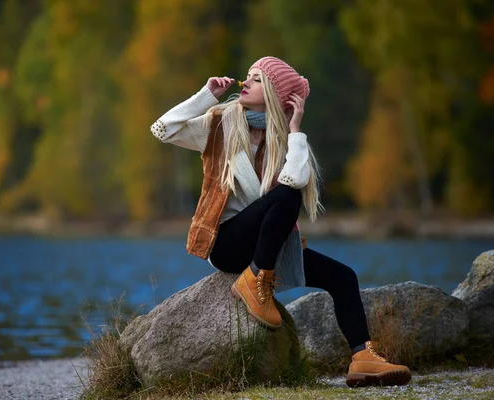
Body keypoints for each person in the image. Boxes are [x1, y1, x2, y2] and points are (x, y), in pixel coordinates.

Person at [150, 56, 412, 388]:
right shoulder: (219, 123)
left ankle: (362, 358)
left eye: (256, 79)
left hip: (264, 246)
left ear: (273, 93)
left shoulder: (283, 138)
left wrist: (295, 129)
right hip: (226, 243)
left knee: (344, 277)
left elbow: (295, 179)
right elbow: (163, 129)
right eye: (247, 76)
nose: (244, 82)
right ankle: (254, 280)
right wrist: (207, 96)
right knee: (287, 195)